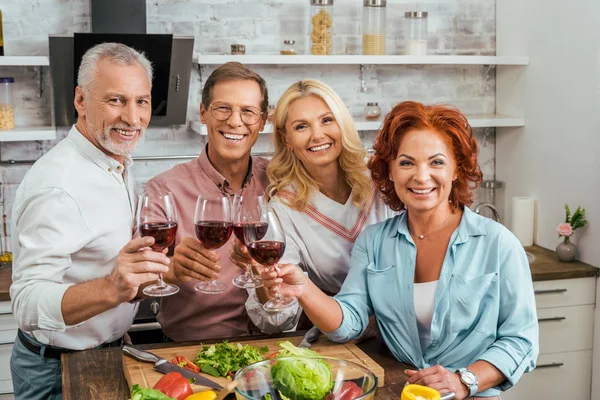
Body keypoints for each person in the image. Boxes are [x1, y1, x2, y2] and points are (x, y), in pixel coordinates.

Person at [262, 101, 538, 399]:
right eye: (407, 163)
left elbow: (520, 340)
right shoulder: (373, 242)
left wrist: (464, 380)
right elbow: (348, 323)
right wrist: (303, 289)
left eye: (436, 162)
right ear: (390, 171)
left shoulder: (498, 243)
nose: (421, 176)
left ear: (457, 168)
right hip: (401, 390)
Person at [9, 43, 171, 400]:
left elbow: (100, 257)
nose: (132, 118)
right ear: (81, 100)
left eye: (141, 101)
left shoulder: (112, 158)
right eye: (116, 100)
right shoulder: (58, 185)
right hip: (56, 369)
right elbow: (26, 303)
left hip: (110, 351)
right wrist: (114, 286)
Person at [238, 79, 393, 333]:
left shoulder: (382, 178)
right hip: (346, 332)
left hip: (409, 324)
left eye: (327, 120)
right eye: (301, 126)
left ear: (341, 123)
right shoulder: (283, 209)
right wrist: (266, 285)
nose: (317, 135)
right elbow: (277, 320)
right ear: (286, 139)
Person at [144, 62, 269, 341]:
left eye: (248, 111)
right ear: (203, 113)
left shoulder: (279, 181)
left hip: (276, 342)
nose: (235, 121)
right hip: (194, 348)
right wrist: (171, 270)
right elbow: (136, 280)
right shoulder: (165, 189)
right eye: (223, 108)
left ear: (262, 121)